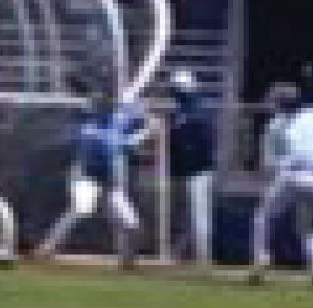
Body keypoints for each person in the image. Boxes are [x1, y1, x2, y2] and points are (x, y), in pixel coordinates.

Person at [248, 81, 313, 285]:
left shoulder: (276, 124)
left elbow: (269, 163)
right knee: (308, 227)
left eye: (275, 100)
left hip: (291, 176)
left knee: (262, 218)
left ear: (282, 103)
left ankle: (261, 261)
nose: (271, 103)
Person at [39, 86, 144, 263]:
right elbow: (119, 143)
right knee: (80, 210)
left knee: (131, 223)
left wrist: (138, 115)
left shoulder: (113, 124)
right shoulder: (91, 130)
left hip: (109, 182)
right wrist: (143, 133)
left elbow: (131, 119)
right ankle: (47, 248)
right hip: (86, 178)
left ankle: (126, 259)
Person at [163, 71, 221, 265]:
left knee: (198, 215)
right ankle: (179, 254)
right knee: (188, 216)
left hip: (199, 170)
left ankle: (204, 259)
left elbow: (204, 141)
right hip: (186, 170)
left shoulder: (197, 111)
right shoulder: (180, 112)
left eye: (176, 89)